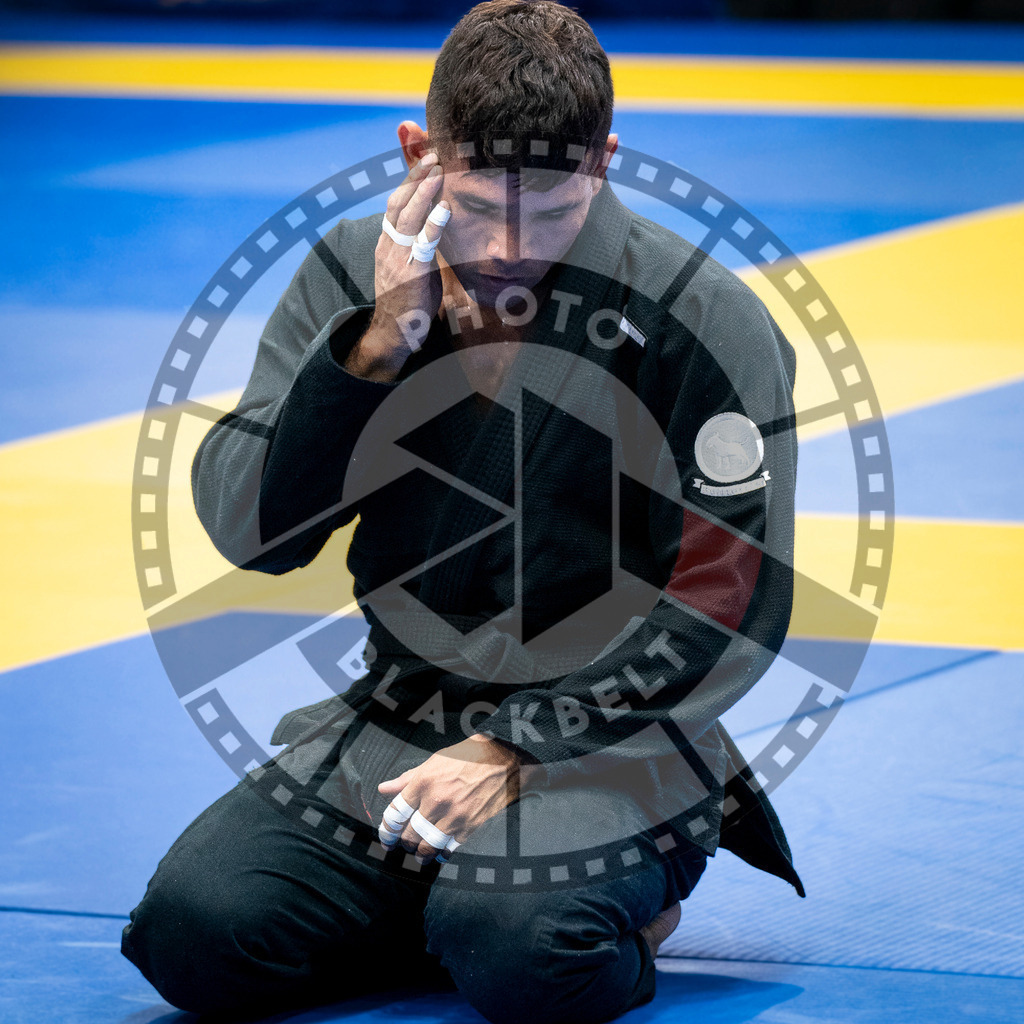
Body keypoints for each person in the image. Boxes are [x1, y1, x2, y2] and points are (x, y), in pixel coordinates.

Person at [121, 2, 803, 1022]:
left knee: (528, 953)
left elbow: (725, 601)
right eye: (479, 206)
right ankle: (454, 899)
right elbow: (248, 532)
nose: (508, 248)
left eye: (551, 208)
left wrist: (517, 747)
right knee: (195, 935)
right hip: (403, 721)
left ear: (606, 160)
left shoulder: (703, 318)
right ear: (417, 151)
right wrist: (371, 353)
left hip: (614, 748)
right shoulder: (352, 270)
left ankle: (553, 906)